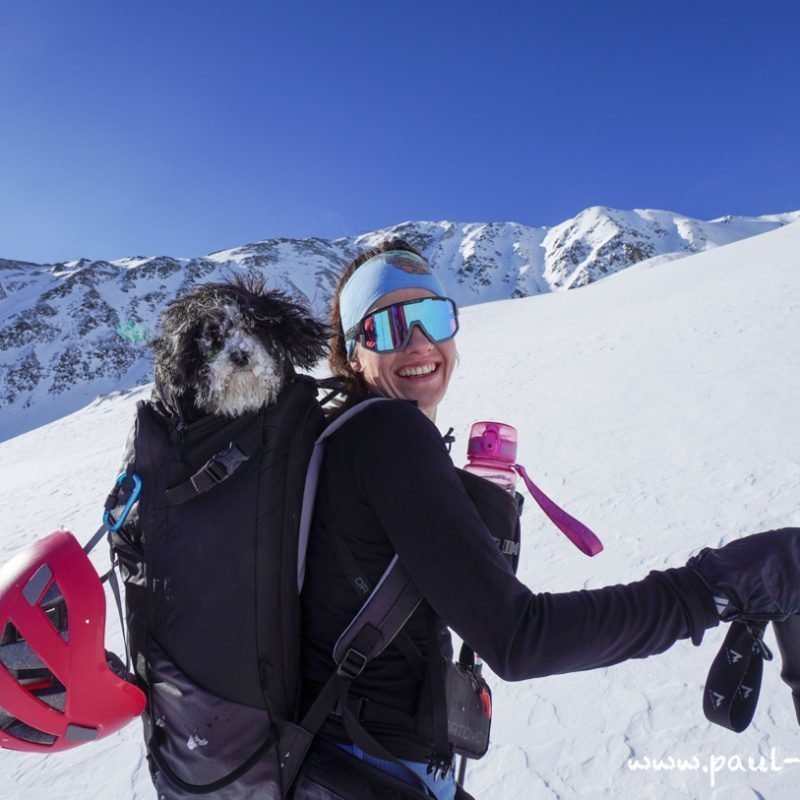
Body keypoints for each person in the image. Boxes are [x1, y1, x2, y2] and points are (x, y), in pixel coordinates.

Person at [296, 239, 800, 800]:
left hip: (346, 756)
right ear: (351, 353)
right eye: (388, 327)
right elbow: (518, 640)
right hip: (370, 769)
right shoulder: (389, 434)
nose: (420, 342)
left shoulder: (343, 439)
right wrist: (711, 589)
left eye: (434, 316)